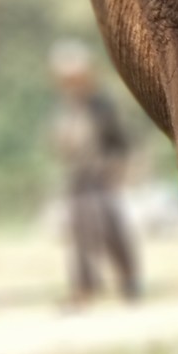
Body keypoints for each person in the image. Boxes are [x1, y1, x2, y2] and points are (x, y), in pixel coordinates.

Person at [49, 39, 140, 304]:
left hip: (101, 174)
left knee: (110, 227)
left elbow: (119, 141)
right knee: (79, 231)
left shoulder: (102, 106)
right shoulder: (65, 106)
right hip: (77, 176)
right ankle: (84, 286)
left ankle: (129, 279)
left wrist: (118, 168)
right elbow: (61, 143)